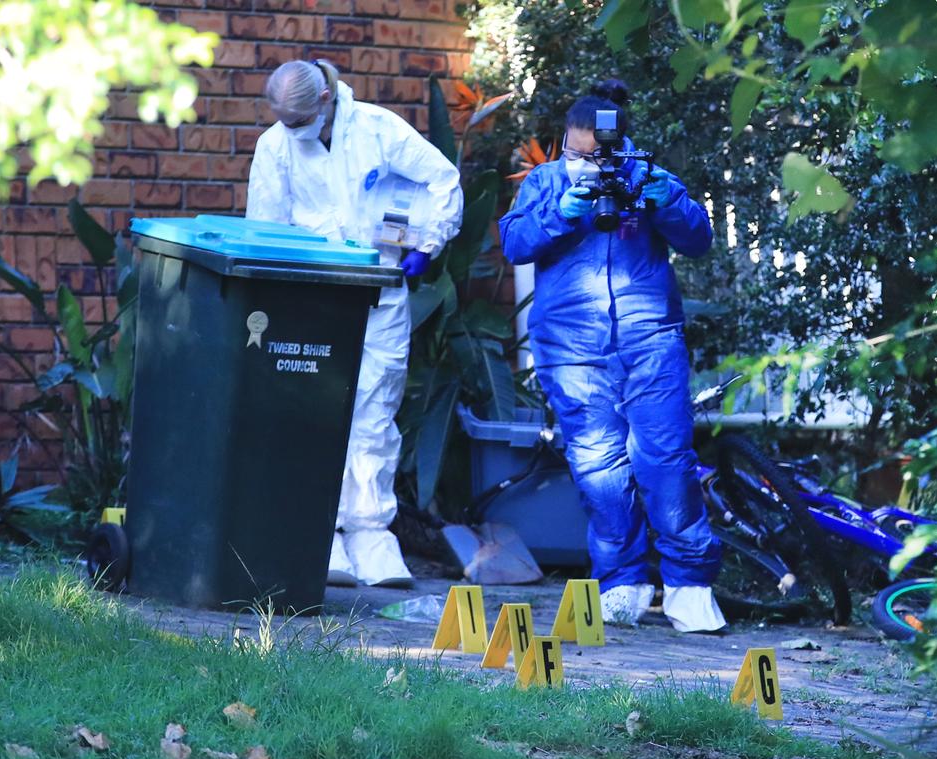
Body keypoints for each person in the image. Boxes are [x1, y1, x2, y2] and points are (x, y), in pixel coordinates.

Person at [498, 80, 725, 631]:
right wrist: (563, 210)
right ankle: (623, 581)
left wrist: (665, 198)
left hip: (649, 335)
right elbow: (515, 244)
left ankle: (689, 584)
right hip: (572, 344)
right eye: (578, 154)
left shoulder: (645, 176)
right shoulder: (546, 183)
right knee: (597, 464)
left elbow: (699, 238)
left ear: (621, 144)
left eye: (600, 154)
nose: (589, 164)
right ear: (563, 143)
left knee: (666, 457)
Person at [247, 59, 463, 587]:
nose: (289, 130)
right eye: (282, 120)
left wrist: (428, 245)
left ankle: (371, 533)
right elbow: (265, 232)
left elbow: (442, 179)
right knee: (313, 410)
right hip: (312, 300)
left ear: (324, 100)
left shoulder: (376, 129)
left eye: (297, 120)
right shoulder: (275, 148)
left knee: (374, 407)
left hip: (379, 294)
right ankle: (319, 532)